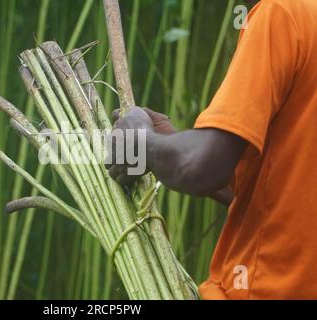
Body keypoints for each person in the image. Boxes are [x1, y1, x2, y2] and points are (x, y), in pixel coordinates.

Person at [106, 0, 317, 299]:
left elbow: (201, 167)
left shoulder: (283, 13)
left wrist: (143, 140)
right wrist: (172, 142)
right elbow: (286, 199)